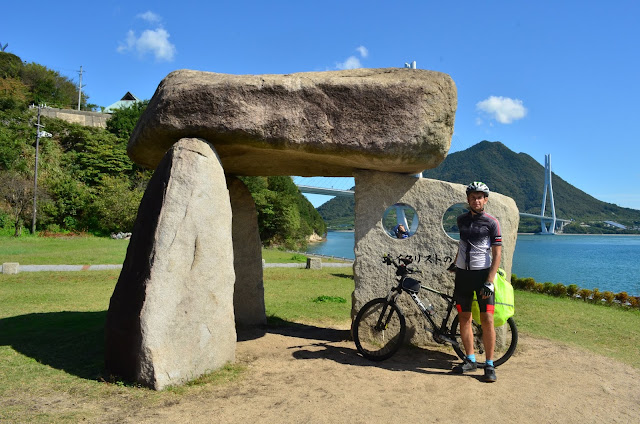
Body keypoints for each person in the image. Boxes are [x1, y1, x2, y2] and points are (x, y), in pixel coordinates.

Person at [448, 181, 502, 383]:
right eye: (472, 197)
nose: (476, 200)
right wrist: (455, 264)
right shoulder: (461, 220)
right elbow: (462, 245)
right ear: (468, 200)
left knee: (487, 320)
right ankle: (470, 359)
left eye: (480, 197)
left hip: (482, 277)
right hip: (463, 276)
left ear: (485, 200)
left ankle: (489, 364)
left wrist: (490, 280)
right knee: (464, 318)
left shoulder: (492, 222)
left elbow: (497, 253)